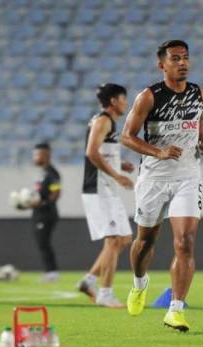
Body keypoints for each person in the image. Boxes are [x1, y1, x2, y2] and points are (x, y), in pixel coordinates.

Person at [121, 40, 203, 332]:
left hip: (188, 176)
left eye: (186, 57)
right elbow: (127, 136)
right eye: (175, 58)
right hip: (153, 178)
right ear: (163, 64)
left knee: (185, 242)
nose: (182, 63)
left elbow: (197, 122)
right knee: (145, 241)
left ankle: (175, 311)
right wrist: (158, 151)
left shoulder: (200, 94)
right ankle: (139, 283)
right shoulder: (148, 97)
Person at [76, 83, 134, 308]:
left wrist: (121, 165)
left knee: (123, 239)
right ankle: (105, 293)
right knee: (113, 240)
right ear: (112, 101)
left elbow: (103, 152)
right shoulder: (103, 121)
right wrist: (117, 176)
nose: (125, 103)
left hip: (106, 187)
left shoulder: (107, 122)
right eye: (123, 99)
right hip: (99, 188)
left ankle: (88, 281)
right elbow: (91, 152)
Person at [27, 142, 62, 283]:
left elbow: (56, 193)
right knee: (42, 243)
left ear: (46, 155)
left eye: (37, 154)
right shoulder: (43, 172)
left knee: (43, 242)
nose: (34, 157)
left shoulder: (51, 172)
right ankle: (50, 272)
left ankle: (52, 273)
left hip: (46, 213)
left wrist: (41, 203)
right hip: (40, 212)